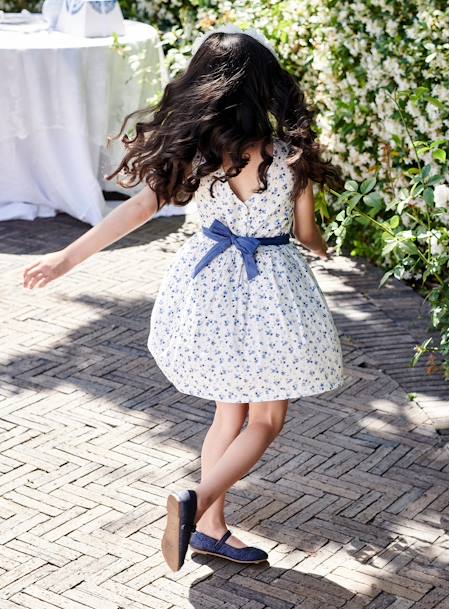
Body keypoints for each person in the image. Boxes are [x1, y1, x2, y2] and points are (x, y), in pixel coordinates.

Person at [23, 24, 345, 572]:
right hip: (273, 295)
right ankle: (195, 505)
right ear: (264, 88)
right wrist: (325, 248)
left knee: (228, 413)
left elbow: (133, 212)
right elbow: (307, 234)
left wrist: (65, 259)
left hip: (211, 288)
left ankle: (212, 530)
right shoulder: (290, 158)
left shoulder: (199, 156)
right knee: (265, 420)